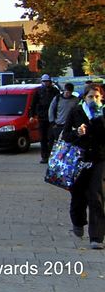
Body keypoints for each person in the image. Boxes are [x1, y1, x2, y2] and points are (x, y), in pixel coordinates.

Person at [61, 83, 105, 250]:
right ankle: (78, 222)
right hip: (79, 159)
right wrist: (77, 133)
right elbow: (65, 136)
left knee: (97, 196)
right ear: (84, 98)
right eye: (90, 97)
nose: (94, 100)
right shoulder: (76, 112)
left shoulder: (102, 112)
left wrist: (99, 116)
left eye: (97, 97)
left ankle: (97, 237)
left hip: (99, 158)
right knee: (78, 195)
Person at [36, 74, 62, 163]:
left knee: (51, 138)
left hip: (52, 118)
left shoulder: (55, 91)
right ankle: (44, 156)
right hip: (42, 117)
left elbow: (58, 104)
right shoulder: (39, 91)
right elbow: (34, 103)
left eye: (47, 81)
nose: (46, 83)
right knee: (43, 138)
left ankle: (52, 155)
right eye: (44, 81)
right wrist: (33, 115)